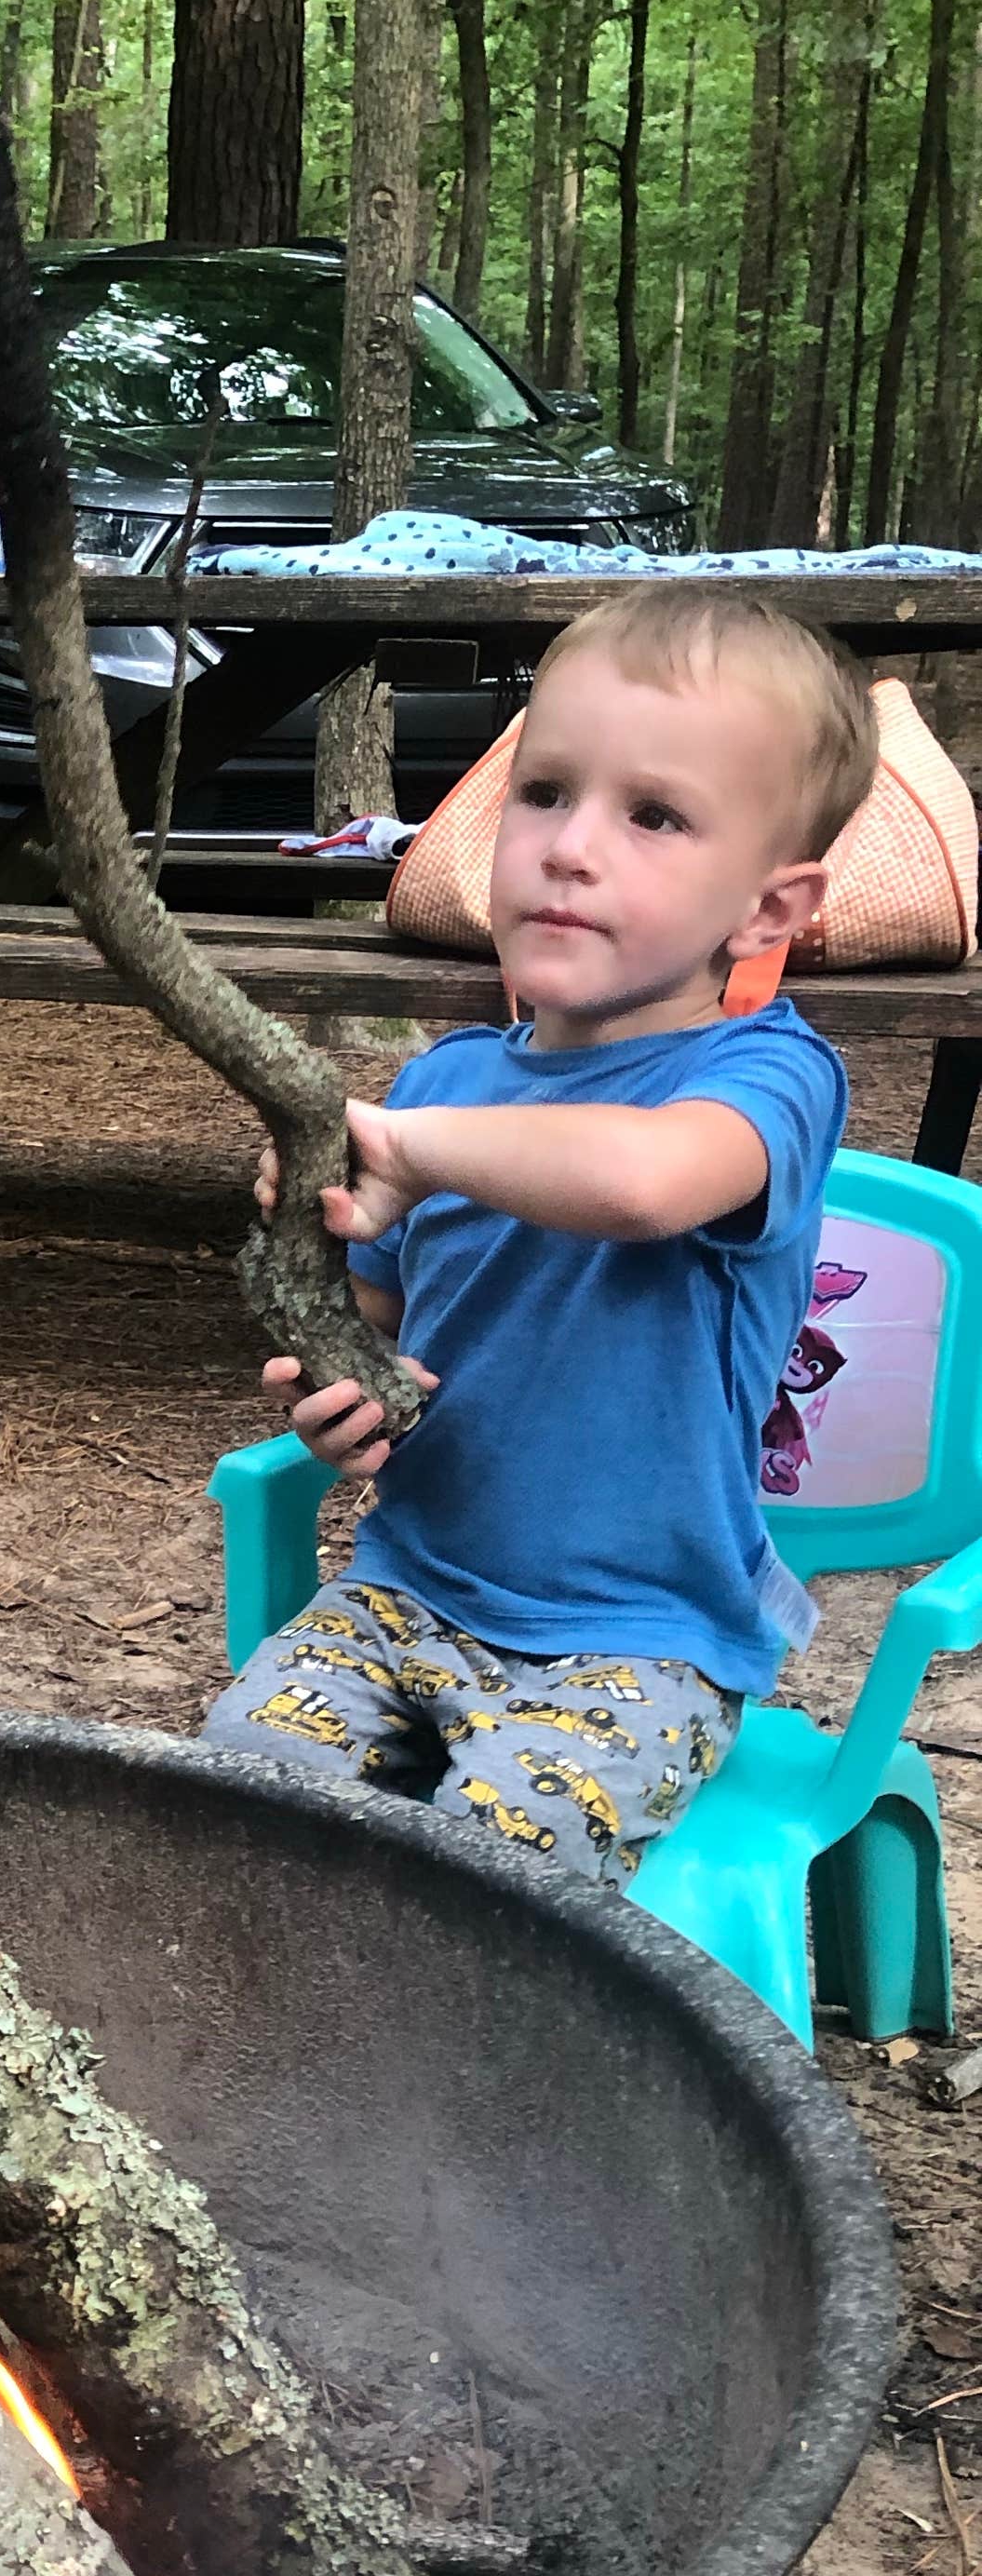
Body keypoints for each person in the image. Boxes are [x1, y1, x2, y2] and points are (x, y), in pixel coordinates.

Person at [200, 587, 880, 1886]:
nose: (571, 848)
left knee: (504, 1860)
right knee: (241, 1791)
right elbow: (377, 1326)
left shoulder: (770, 1081)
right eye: (546, 792)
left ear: (767, 910)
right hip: (406, 1593)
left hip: (646, 1640)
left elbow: (644, 1184)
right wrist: (338, 1394)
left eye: (655, 816)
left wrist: (410, 1149)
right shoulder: (447, 1084)